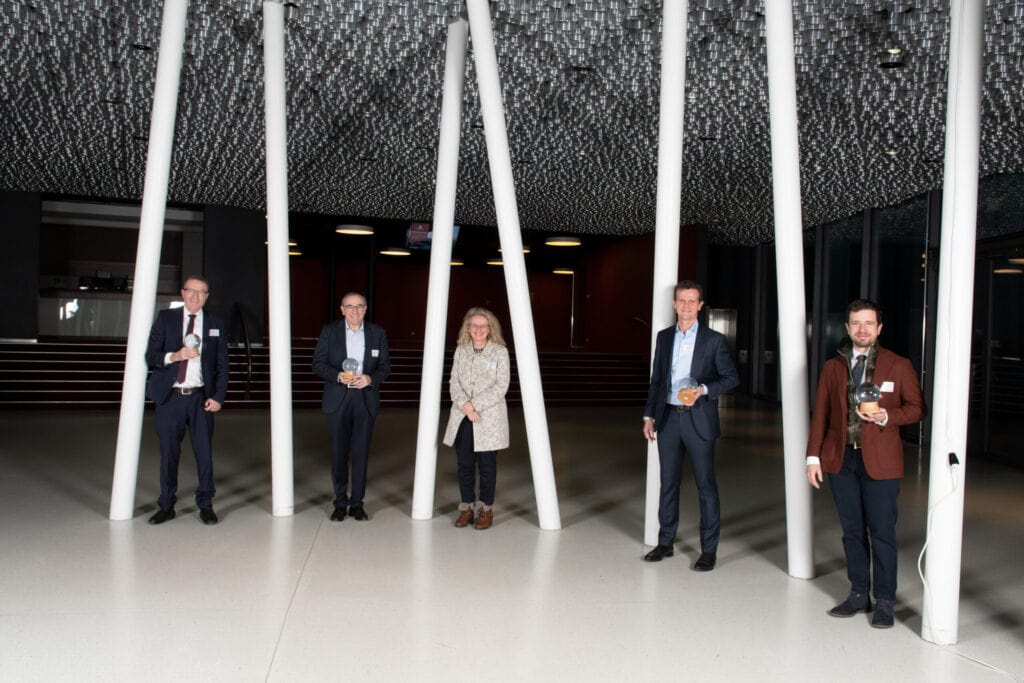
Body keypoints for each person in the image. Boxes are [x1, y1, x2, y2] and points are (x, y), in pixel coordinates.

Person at [806, 299, 925, 629]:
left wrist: (887, 415)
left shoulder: (898, 365)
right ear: (847, 328)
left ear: (879, 328)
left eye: (868, 323)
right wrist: (813, 456)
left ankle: (885, 600)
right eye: (856, 323)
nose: (862, 329)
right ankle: (859, 593)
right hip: (841, 460)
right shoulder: (833, 367)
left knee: (882, 532)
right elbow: (821, 415)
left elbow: (917, 408)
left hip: (881, 462)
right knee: (851, 532)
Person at [642, 280, 739, 570]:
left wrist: (704, 390)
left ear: (700, 305)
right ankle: (665, 542)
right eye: (681, 300)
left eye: (691, 301)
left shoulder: (714, 340)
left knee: (706, 486)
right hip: (669, 419)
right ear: (674, 304)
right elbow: (657, 381)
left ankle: (708, 550)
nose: (686, 306)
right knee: (668, 484)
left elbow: (731, 377)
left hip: (699, 421)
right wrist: (649, 415)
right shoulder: (663, 338)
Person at [145, 276, 229, 526]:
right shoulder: (166, 318)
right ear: (183, 293)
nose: (196, 296)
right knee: (169, 454)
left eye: (202, 292)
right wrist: (175, 355)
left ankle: (205, 504)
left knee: (204, 454)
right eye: (191, 291)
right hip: (170, 397)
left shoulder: (215, 323)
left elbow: (223, 364)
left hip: (201, 398)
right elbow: (151, 355)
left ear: (207, 296)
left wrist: (218, 397)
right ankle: (166, 505)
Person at [313, 292, 390, 522]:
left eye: (359, 307)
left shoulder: (378, 333)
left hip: (365, 398)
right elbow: (317, 364)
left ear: (365, 309)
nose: (354, 311)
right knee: (338, 453)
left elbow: (385, 367)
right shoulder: (330, 331)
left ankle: (357, 503)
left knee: (361, 453)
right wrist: (337, 375)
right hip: (338, 398)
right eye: (349, 307)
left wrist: (370, 378)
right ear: (342, 309)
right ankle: (340, 502)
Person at [441, 307, 511, 530]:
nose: (479, 329)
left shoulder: (500, 352)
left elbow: (501, 386)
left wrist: (474, 406)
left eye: (483, 325)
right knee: (465, 465)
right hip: (463, 416)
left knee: (487, 466)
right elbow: (453, 383)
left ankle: (485, 509)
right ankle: (467, 507)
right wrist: (465, 406)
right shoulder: (461, 351)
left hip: (488, 417)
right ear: (468, 328)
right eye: (474, 326)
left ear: (490, 329)